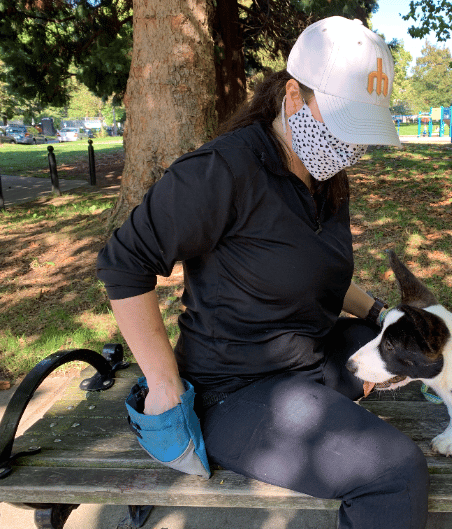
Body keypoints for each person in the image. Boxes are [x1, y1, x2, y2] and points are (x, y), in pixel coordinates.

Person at [97, 16, 428, 529]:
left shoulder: (324, 175)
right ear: (293, 95)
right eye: (344, 124)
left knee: (405, 348)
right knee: (395, 471)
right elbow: (124, 262)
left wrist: (380, 313)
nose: (353, 146)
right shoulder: (224, 170)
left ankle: (333, 396)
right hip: (236, 387)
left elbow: (320, 273)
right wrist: (164, 387)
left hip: (309, 358)